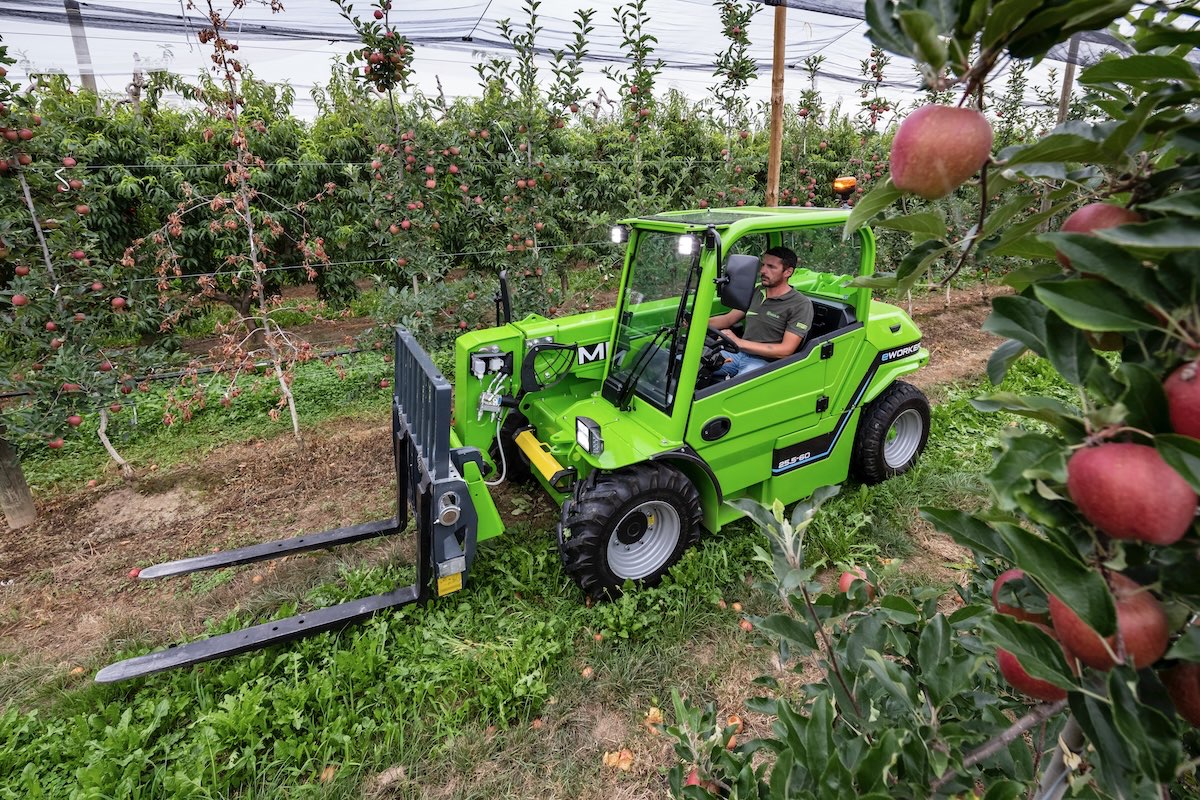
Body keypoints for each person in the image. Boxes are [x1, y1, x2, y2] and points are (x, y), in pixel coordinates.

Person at [708, 246, 812, 379]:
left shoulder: (800, 304)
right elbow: (728, 319)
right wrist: (697, 323)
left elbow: (786, 350)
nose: (763, 271)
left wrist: (738, 341)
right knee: (686, 363)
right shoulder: (757, 291)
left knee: (736, 389)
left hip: (765, 363)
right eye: (763, 265)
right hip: (738, 354)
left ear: (788, 272)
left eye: (771, 267)